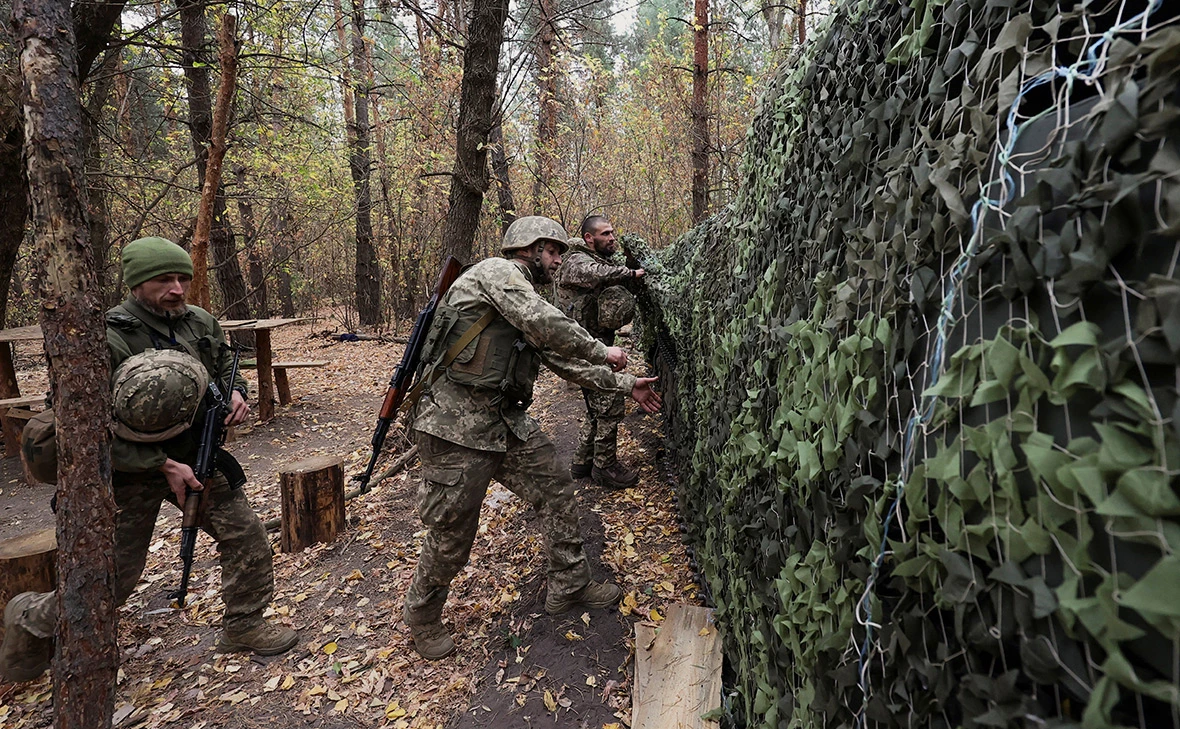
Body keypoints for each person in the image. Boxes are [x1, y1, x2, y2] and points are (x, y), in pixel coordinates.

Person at [0, 236, 297, 683]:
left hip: (197, 456)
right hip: (127, 470)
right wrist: (159, 464)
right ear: (136, 284)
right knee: (114, 578)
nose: (177, 288)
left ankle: (244, 624)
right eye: (164, 280)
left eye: (183, 278)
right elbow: (81, 429)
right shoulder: (106, 336)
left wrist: (238, 393)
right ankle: (30, 618)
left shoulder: (199, 323)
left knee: (247, 537)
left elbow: (223, 371)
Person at [402, 215, 662, 660]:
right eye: (554, 251)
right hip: (454, 429)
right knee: (451, 535)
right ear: (530, 247)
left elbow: (561, 359)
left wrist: (625, 384)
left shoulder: (521, 293)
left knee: (556, 488)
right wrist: (603, 350)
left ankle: (569, 584)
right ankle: (422, 617)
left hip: (502, 422)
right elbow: (546, 324)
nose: (559, 261)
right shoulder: (497, 274)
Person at [555, 215, 645, 488]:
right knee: (609, 402)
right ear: (588, 239)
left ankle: (583, 462)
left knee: (596, 407)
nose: (612, 238)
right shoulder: (575, 262)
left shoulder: (596, 259)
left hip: (593, 343)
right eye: (605, 234)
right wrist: (629, 274)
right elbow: (595, 273)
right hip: (584, 347)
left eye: (612, 232)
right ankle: (605, 466)